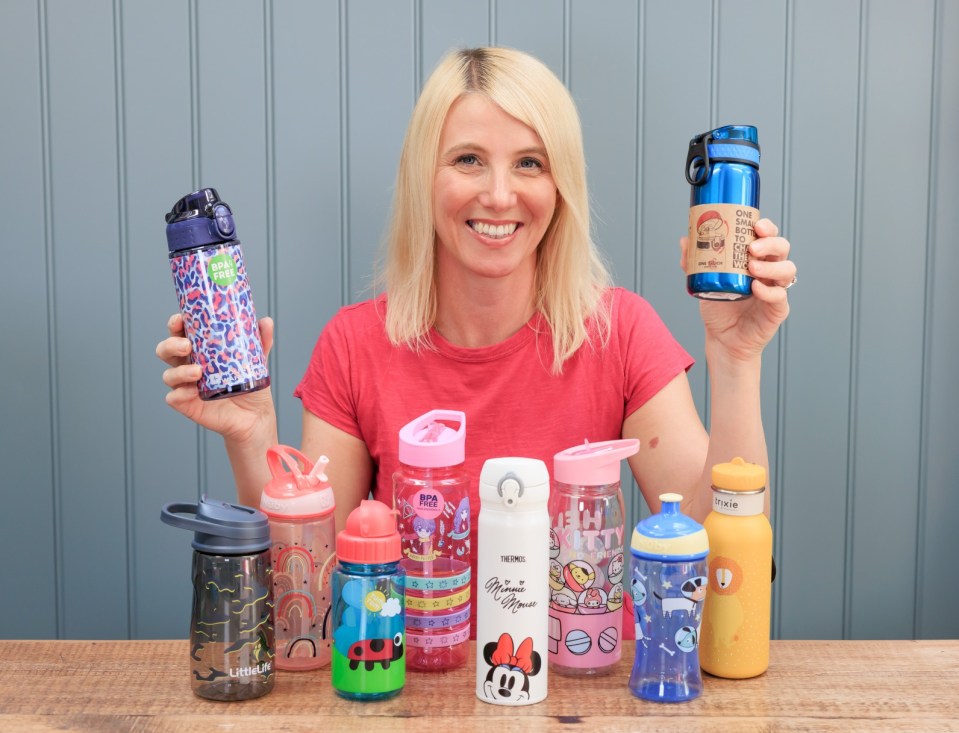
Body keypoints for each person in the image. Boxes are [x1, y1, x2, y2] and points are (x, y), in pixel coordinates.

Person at [157, 47, 795, 638]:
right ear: (422, 180)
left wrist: (735, 362)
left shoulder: (620, 332)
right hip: (413, 689)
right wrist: (252, 436)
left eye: (530, 163)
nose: (498, 194)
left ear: (560, 186)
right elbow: (309, 606)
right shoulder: (353, 346)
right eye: (467, 159)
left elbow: (718, 572)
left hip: (588, 678)